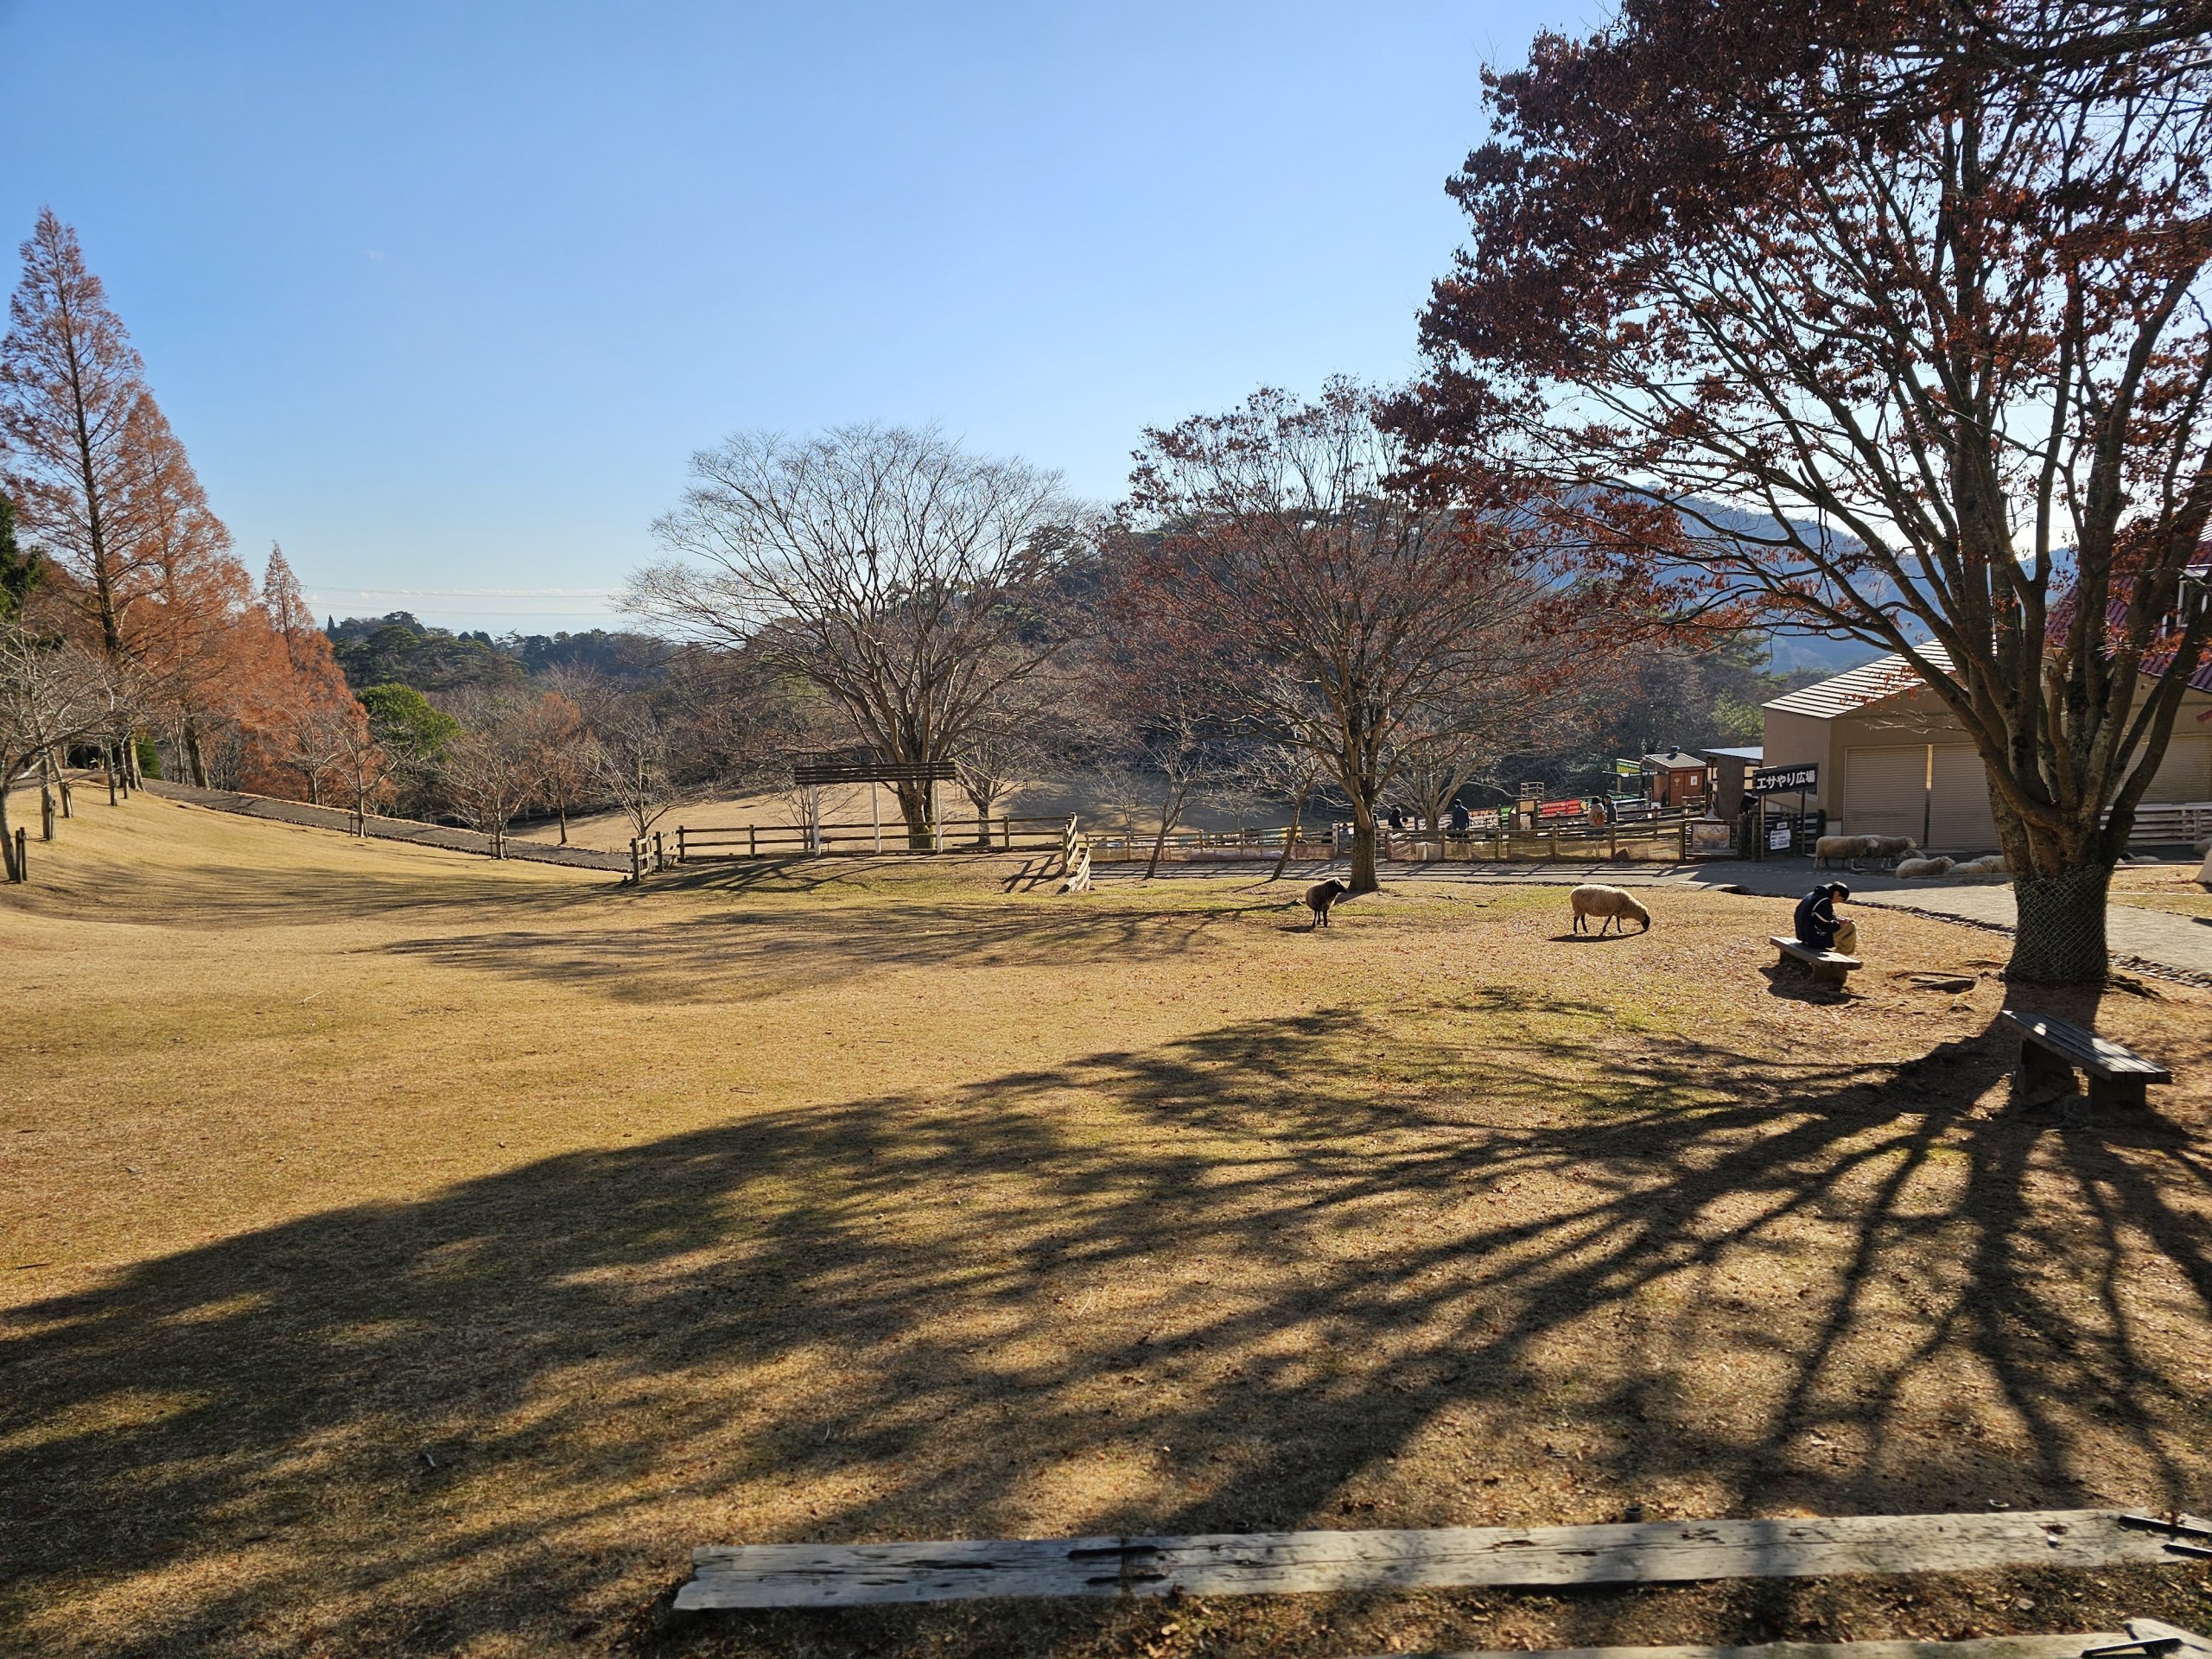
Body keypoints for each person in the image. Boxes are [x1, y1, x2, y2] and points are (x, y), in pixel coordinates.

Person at [1794, 881, 1859, 955]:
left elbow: (1818, 918)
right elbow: (1824, 926)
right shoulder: (1824, 901)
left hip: (1803, 936)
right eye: (1840, 899)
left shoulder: (1813, 895)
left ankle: (1842, 954)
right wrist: (1839, 924)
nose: (1838, 902)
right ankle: (1843, 956)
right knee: (1850, 926)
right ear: (1836, 893)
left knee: (1845, 925)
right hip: (1813, 939)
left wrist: (1836, 919)